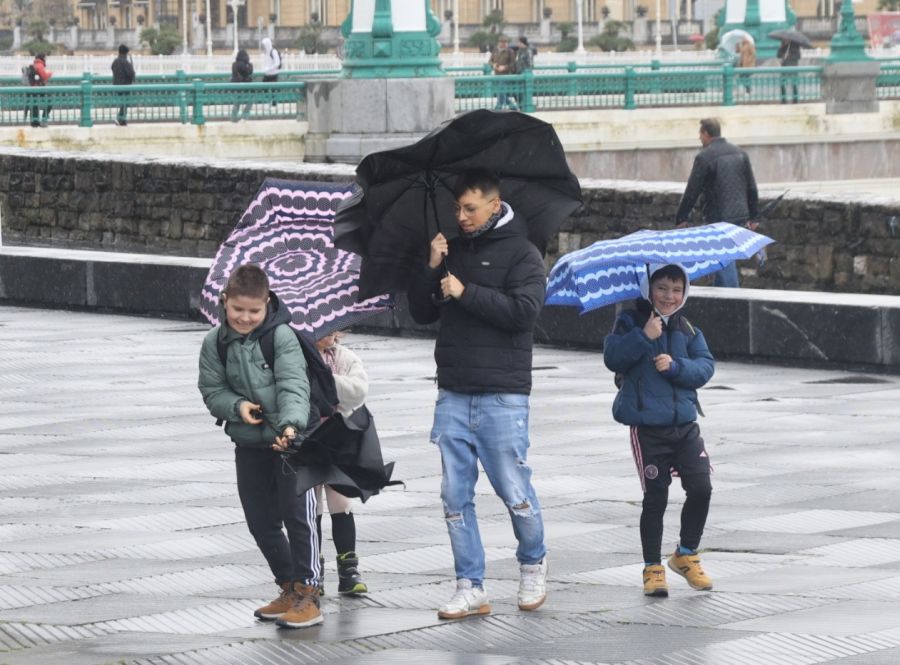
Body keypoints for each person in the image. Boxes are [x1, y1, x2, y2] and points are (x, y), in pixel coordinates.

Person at [408, 169, 549, 620]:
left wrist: (466, 292)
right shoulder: (451, 249)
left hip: (503, 394)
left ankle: (532, 563)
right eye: (457, 209)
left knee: (513, 487)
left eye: (470, 208)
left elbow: (523, 314)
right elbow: (420, 311)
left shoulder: (524, 254)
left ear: (494, 203)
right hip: (453, 389)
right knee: (454, 495)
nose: (462, 217)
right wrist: (431, 266)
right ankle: (470, 584)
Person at [198, 264, 323, 629]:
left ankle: (309, 592)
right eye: (238, 310)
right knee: (260, 520)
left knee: (299, 518)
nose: (246, 318)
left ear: (267, 303)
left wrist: (290, 425)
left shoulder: (281, 336)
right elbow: (212, 390)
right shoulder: (214, 342)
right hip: (249, 442)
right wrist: (236, 407)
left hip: (291, 443)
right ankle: (287, 586)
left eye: (255, 311)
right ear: (225, 302)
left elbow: (294, 386)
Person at [603, 263, 715, 598]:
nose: (669, 296)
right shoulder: (630, 320)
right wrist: (643, 336)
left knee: (702, 488)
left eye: (676, 289)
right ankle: (652, 567)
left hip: (684, 425)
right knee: (656, 497)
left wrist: (676, 366)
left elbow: (705, 366)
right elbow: (613, 358)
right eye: (662, 288)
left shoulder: (686, 327)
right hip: (648, 427)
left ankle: (686, 553)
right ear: (647, 288)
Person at [313, 330, 369, 597]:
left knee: (341, 502)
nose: (332, 336)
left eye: (335, 329)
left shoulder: (345, 357)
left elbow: (357, 391)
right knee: (310, 506)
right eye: (325, 331)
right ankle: (312, 569)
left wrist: (324, 380)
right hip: (306, 439)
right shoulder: (297, 356)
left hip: (338, 439)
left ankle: (349, 568)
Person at [674, 118, 759, 287]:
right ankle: (722, 299)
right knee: (724, 259)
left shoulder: (705, 157)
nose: (699, 138)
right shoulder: (740, 153)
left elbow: (692, 190)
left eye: (700, 134)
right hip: (739, 216)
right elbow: (751, 187)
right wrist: (753, 216)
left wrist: (681, 217)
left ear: (706, 133)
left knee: (723, 258)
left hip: (718, 216)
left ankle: (731, 300)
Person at [489, 36, 517, 110]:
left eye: (505, 42)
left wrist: (505, 67)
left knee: (501, 91)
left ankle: (498, 107)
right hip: (497, 75)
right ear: (499, 43)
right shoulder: (495, 50)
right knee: (501, 92)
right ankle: (512, 106)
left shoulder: (510, 51)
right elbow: (490, 61)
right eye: (502, 42)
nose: (503, 44)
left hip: (506, 75)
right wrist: (493, 65)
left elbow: (513, 64)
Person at [111, 44, 136, 126]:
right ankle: (120, 119)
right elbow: (130, 74)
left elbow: (113, 69)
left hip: (116, 85)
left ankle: (122, 120)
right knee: (125, 103)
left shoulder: (115, 61)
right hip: (125, 86)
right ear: (125, 53)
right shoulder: (126, 62)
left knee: (123, 103)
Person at [230, 48, 254, 122]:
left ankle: (233, 118)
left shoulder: (234, 64)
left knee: (237, 102)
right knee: (250, 100)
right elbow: (248, 72)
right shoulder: (243, 64)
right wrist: (250, 65)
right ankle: (244, 116)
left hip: (235, 87)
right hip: (244, 87)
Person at [29, 53, 52, 128]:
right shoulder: (40, 65)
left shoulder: (34, 65)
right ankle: (44, 119)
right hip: (39, 88)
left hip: (32, 89)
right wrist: (50, 74)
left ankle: (34, 122)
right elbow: (44, 76)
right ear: (42, 58)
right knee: (49, 101)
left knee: (34, 104)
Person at [777, 38, 801, 104]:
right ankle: (783, 99)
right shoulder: (783, 46)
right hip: (784, 67)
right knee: (782, 83)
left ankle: (795, 99)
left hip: (793, 66)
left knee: (794, 84)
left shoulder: (795, 45)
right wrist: (781, 47)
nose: (785, 40)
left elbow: (798, 56)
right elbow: (778, 55)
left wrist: (789, 56)